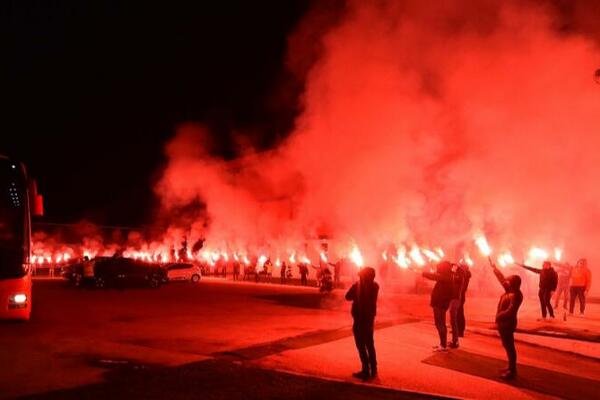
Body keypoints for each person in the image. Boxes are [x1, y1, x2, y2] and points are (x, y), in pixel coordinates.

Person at [345, 267, 379, 380]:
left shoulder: (359, 286)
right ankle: (373, 369)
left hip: (360, 319)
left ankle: (365, 370)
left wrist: (356, 284)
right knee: (369, 344)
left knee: (361, 345)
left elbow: (347, 296)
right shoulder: (375, 286)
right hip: (369, 318)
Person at [491, 261, 523, 380]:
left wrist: (499, 315)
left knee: (509, 346)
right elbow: (501, 279)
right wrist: (495, 268)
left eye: (508, 281)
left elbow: (511, 310)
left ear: (513, 284)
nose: (506, 282)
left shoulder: (516, 295)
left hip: (507, 324)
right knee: (506, 345)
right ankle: (510, 366)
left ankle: (512, 370)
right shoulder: (509, 290)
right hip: (503, 323)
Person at [422, 261, 453, 352]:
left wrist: (423, 273)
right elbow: (435, 275)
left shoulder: (446, 277)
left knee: (440, 324)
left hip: (439, 304)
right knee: (441, 324)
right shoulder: (447, 276)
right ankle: (442, 344)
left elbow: (434, 276)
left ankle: (443, 346)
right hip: (440, 303)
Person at [448, 263, 465, 348]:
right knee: (452, 321)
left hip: (455, 299)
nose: (452, 268)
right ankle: (454, 340)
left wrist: (453, 272)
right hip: (453, 299)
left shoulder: (459, 276)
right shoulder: (457, 275)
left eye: (453, 267)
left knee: (453, 321)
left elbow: (454, 279)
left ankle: (455, 341)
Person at [456, 262, 472, 337]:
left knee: (459, 313)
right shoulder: (464, 275)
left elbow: (462, 288)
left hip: (460, 296)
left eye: (461, 267)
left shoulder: (465, 276)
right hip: (458, 295)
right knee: (456, 313)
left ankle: (460, 331)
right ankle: (457, 329)